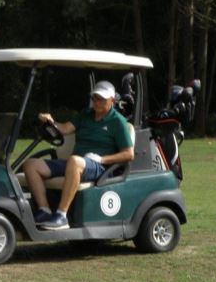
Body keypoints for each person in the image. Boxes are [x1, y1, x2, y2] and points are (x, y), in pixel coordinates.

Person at [22, 80, 134, 230]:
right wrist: (51, 122)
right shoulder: (85, 115)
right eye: (95, 98)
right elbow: (66, 129)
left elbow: (129, 154)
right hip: (75, 163)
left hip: (100, 167)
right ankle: (45, 211)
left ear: (112, 101)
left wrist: (101, 159)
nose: (97, 102)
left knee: (75, 161)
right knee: (30, 164)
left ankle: (61, 216)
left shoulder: (118, 122)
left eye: (101, 99)